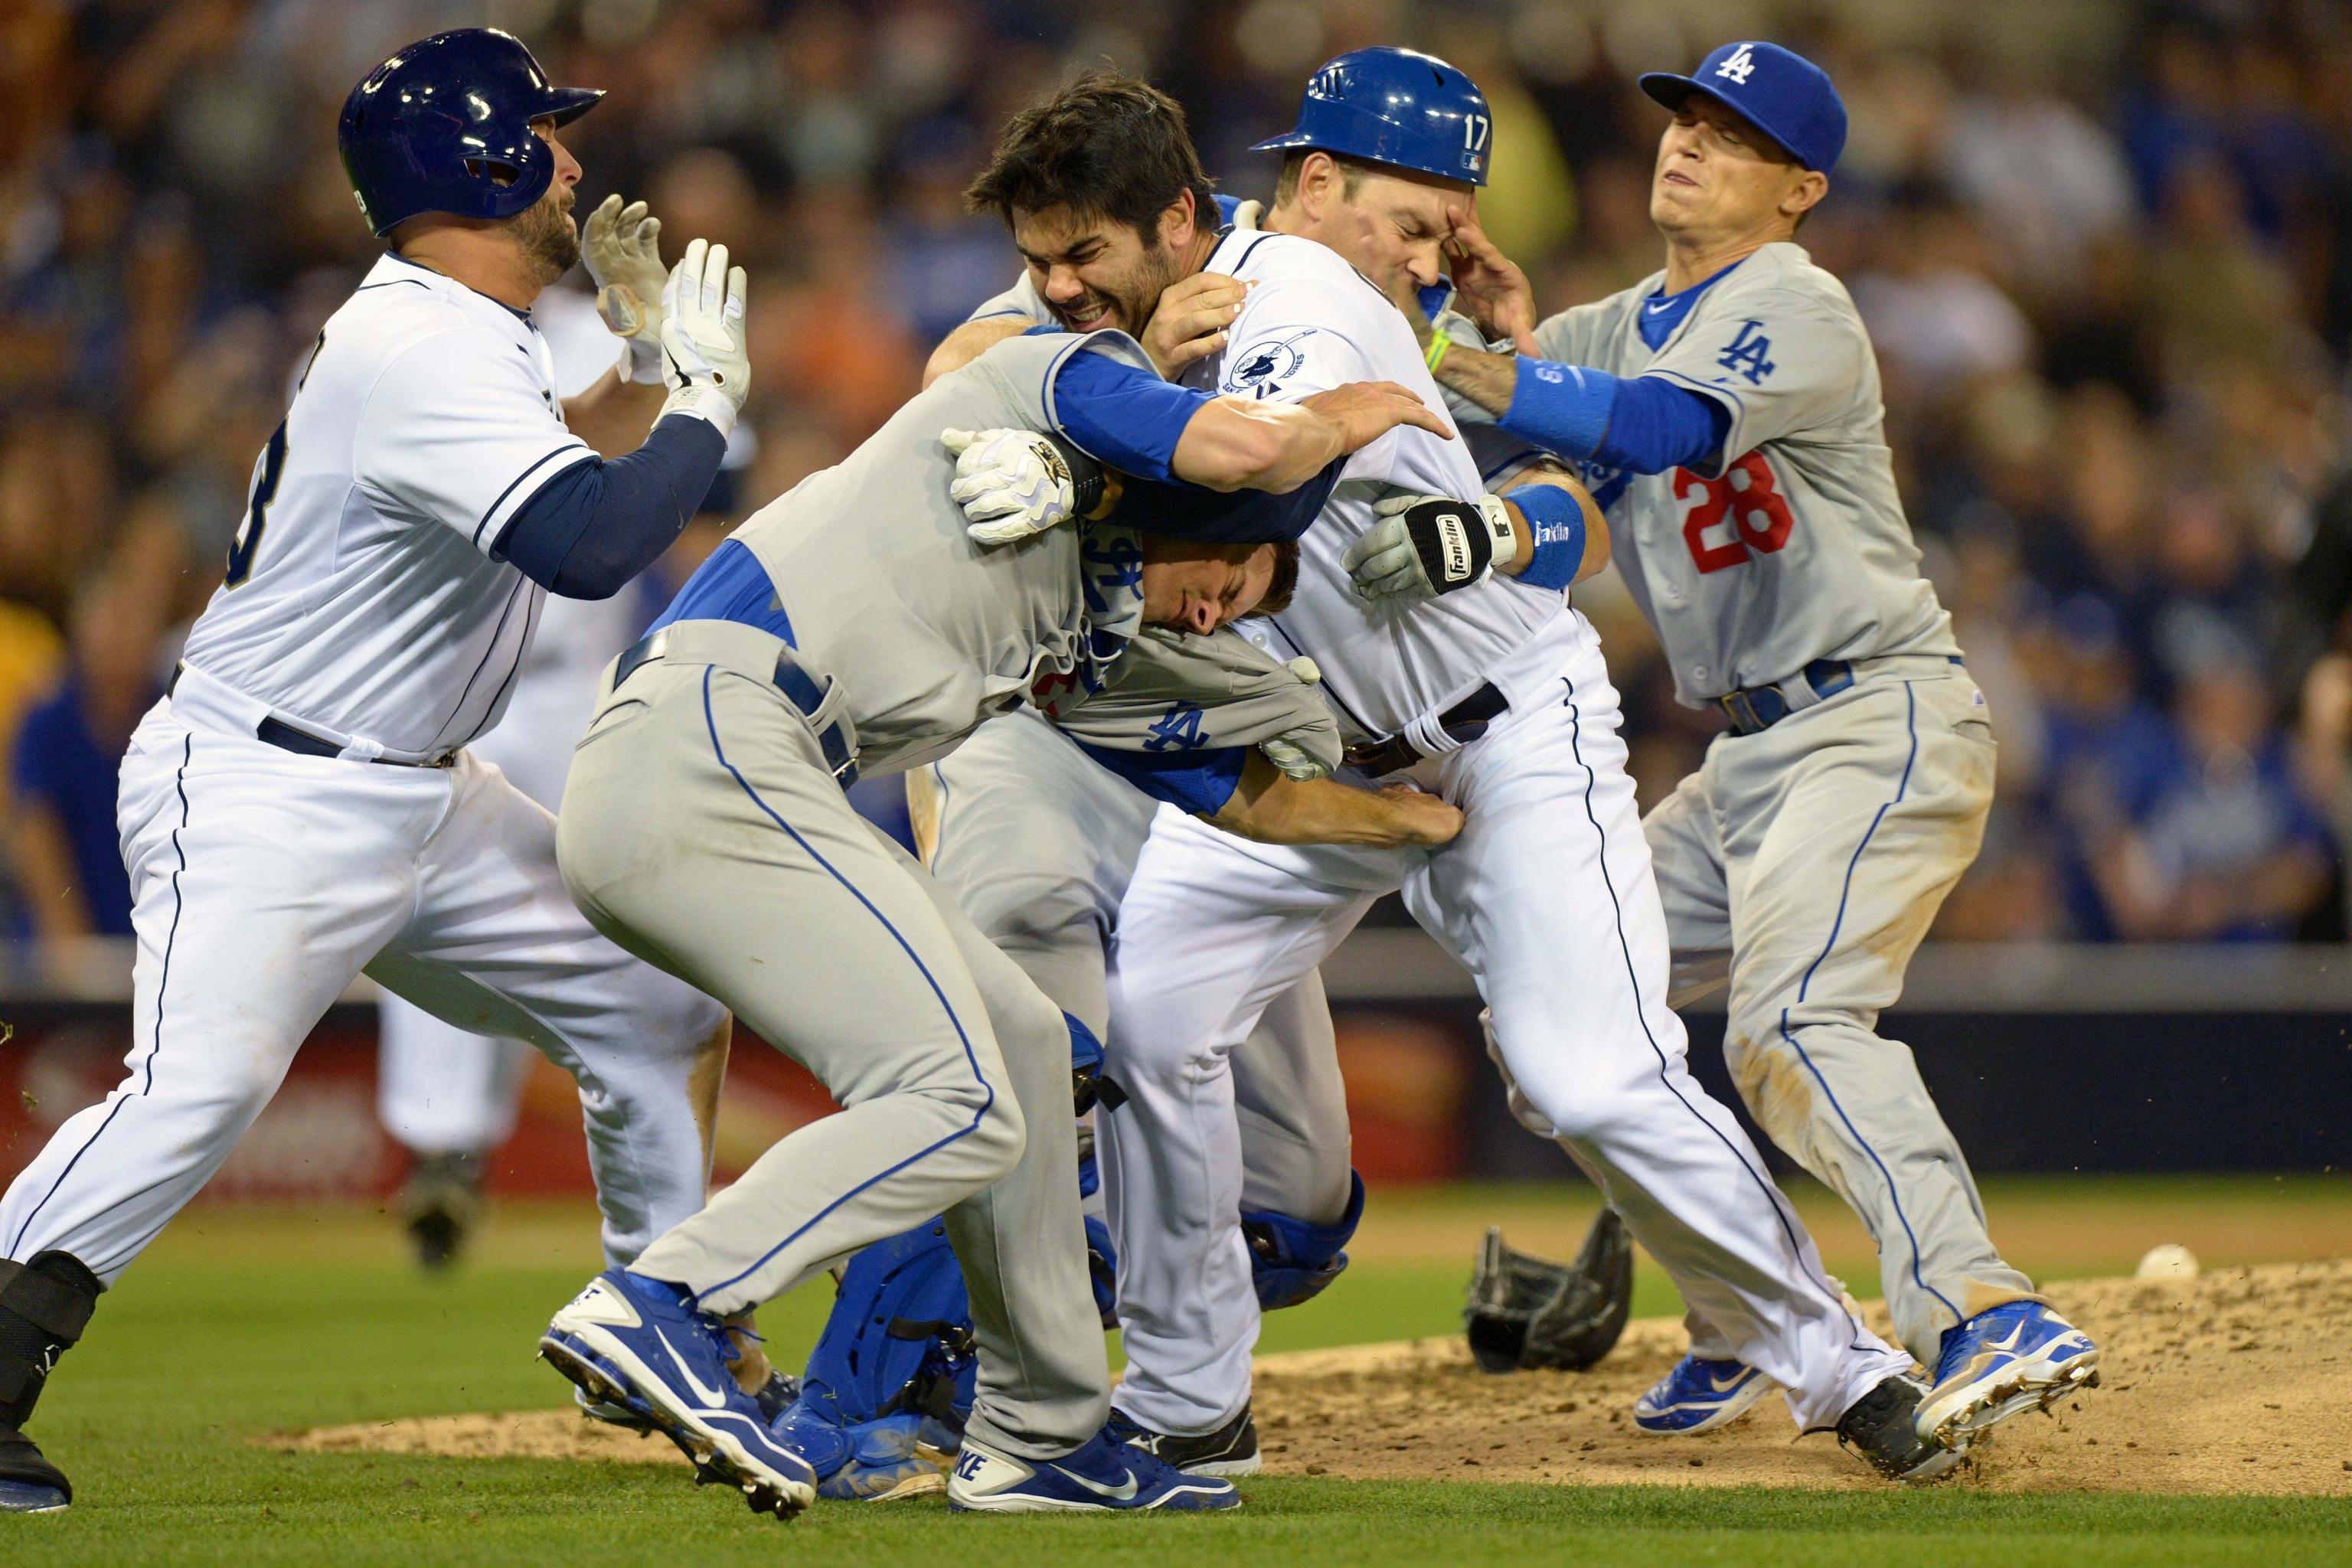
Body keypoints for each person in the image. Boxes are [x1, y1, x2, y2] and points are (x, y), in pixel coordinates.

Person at [933, 60, 1960, 1485]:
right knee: (1158, 1027)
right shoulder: (1226, 283)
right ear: (1312, 187)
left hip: (1508, 735)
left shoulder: (1317, 295)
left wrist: (1136, 413)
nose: (1430, 258)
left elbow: (1269, 475)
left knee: (1591, 1075)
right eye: (1409, 220)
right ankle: (1185, 1395)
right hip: (1313, 759)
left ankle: (1844, 1368)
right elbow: (961, 384)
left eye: (1445, 229)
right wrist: (1127, 365)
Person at [534, 295, 1463, 1517]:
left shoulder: (1091, 625)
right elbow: (1002, 369)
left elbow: (1254, 799)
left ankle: (1040, 1437)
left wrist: (1432, 825)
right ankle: (671, 1304)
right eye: (1231, 565)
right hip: (712, 734)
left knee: (1023, 1047)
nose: (1222, 607)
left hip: (731, 763)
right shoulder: (1007, 433)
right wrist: (1360, 405)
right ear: (1182, 510)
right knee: (958, 1093)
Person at [0, 28, 750, 1514]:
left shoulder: (451, 334)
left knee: (661, 1003)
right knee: (198, 1089)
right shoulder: (415, 343)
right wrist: (714, 409)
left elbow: (571, 460)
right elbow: (592, 539)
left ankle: (670, 1333)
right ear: (481, 163)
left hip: (418, 786)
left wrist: (656, 366)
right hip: (271, 785)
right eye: (547, 135)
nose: (574, 161)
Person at [1403, 41, 2100, 1444]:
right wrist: (1437, 311)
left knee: (1790, 1021)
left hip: (1872, 712)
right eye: (1683, 119)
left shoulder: (1801, 299)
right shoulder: (1607, 325)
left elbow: (1662, 425)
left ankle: (1983, 1307)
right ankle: (1737, 1310)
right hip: (1748, 760)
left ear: (1799, 187)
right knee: (1556, 1004)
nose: (1688, 143)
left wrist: (1475, 364)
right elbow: (1518, 440)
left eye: (1731, 133)